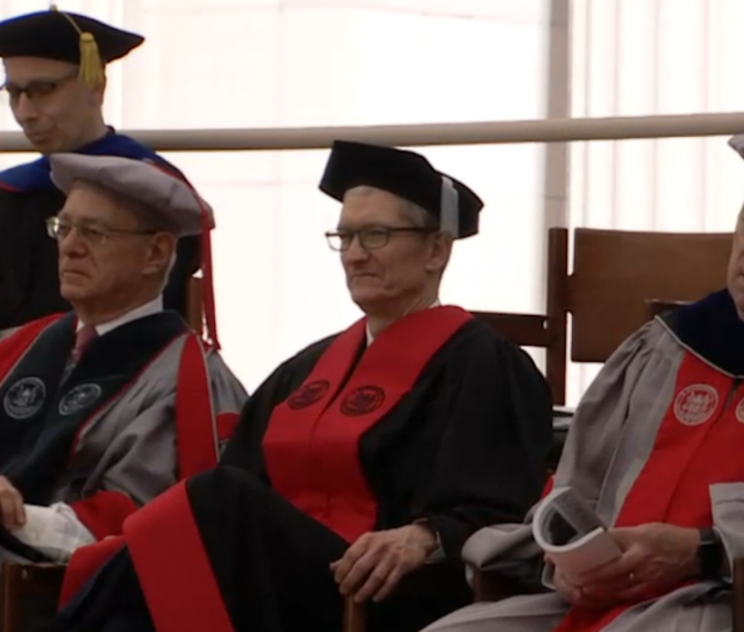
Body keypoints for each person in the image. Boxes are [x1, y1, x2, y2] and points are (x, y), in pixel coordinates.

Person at [47, 140, 555, 632]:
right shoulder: (307, 369)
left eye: (375, 235)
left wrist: (426, 535)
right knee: (175, 544)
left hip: (388, 592)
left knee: (213, 502)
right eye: (345, 237)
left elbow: (496, 504)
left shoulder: (483, 363)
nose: (354, 256)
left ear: (435, 250)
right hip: (287, 584)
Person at [417, 209, 744, 631]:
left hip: (720, 599)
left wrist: (703, 549)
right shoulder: (671, 345)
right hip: (599, 598)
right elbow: (575, 492)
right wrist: (565, 560)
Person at [0, 153, 246, 566]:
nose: (70, 248)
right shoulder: (16, 347)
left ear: (155, 252)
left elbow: (139, 527)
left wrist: (14, 519)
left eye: (93, 232)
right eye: (64, 228)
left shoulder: (189, 382)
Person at [0, 7, 203, 338]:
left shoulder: (151, 193)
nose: (25, 113)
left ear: (96, 86)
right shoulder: (9, 195)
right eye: (14, 93)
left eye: (44, 89)